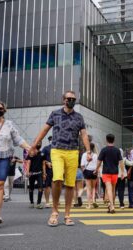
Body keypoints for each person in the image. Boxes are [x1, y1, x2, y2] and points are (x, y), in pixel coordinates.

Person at [30, 90, 91, 227]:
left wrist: (88, 151)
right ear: (63, 100)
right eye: (68, 98)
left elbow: (84, 135)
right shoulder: (55, 114)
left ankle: (68, 214)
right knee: (57, 179)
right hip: (57, 150)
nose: (71, 101)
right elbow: (44, 130)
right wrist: (34, 146)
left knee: (70, 184)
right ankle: (55, 212)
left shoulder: (79, 117)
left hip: (73, 152)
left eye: (73, 99)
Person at [95, 134, 124, 213]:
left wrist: (96, 169)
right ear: (114, 140)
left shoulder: (104, 150)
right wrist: (122, 172)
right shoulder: (117, 150)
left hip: (106, 172)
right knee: (113, 189)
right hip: (115, 173)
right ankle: (112, 204)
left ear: (106, 140)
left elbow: (99, 161)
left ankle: (111, 206)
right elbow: (121, 162)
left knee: (109, 189)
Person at [26, 141, 45, 209]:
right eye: (38, 143)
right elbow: (28, 163)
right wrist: (27, 172)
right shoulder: (31, 153)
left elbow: (43, 164)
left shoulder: (42, 154)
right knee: (31, 188)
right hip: (32, 173)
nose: (39, 144)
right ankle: (31, 203)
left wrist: (44, 173)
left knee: (41, 188)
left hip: (39, 173)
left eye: (40, 143)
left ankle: (38, 203)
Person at [81, 143, 98, 209]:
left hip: (87, 171)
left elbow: (82, 165)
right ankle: (93, 200)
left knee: (88, 188)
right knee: (93, 188)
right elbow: (98, 164)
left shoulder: (84, 155)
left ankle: (89, 204)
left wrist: (84, 172)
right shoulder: (96, 155)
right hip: (94, 171)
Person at [42, 136, 53, 208]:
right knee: (47, 185)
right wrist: (47, 162)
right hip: (48, 169)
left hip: (57, 168)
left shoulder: (58, 148)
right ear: (49, 141)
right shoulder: (45, 148)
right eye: (51, 140)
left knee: (57, 185)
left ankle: (56, 201)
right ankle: (47, 201)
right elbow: (42, 159)